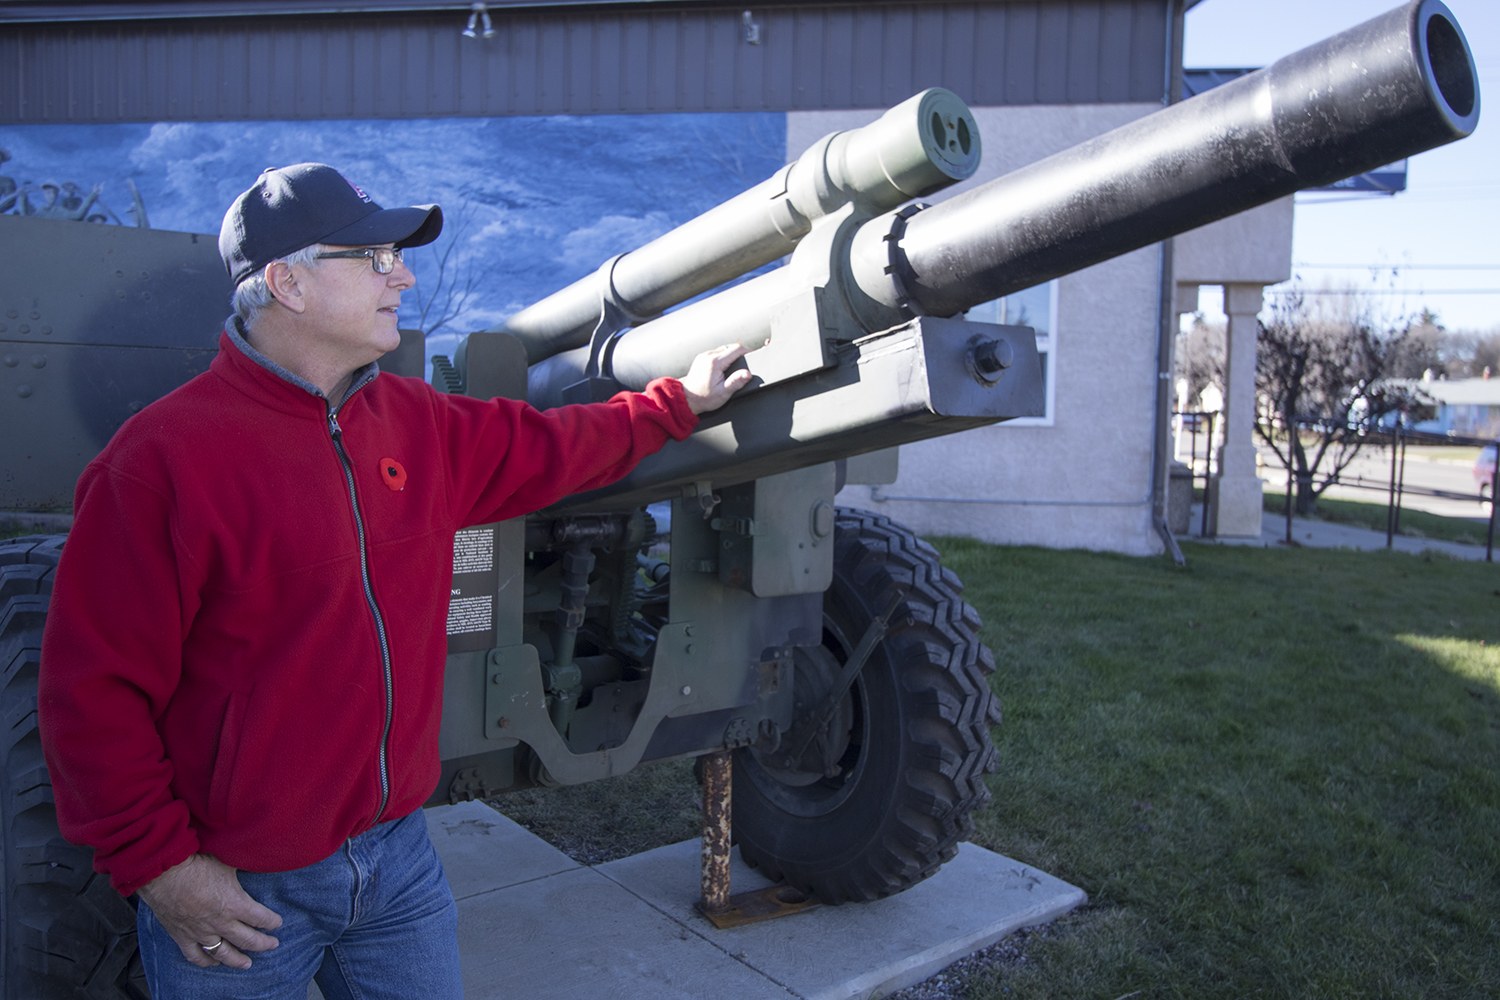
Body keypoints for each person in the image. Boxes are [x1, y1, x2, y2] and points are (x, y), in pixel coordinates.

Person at [37, 162, 751, 999]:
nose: (402, 274)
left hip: (396, 862)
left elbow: (556, 448)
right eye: (373, 258)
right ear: (285, 282)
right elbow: (90, 694)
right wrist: (161, 869)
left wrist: (673, 406)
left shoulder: (416, 423)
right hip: (240, 890)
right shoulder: (160, 465)